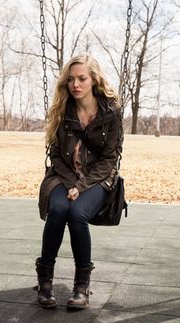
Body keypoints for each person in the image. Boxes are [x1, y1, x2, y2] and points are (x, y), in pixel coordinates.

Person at [35, 53, 123, 310]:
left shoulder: (111, 113)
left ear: (93, 80)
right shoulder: (62, 110)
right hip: (62, 177)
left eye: (82, 78)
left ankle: (81, 286)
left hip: (97, 180)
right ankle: (45, 282)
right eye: (71, 79)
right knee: (59, 209)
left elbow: (109, 160)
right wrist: (71, 182)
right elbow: (55, 155)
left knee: (76, 214)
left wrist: (81, 186)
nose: (76, 84)